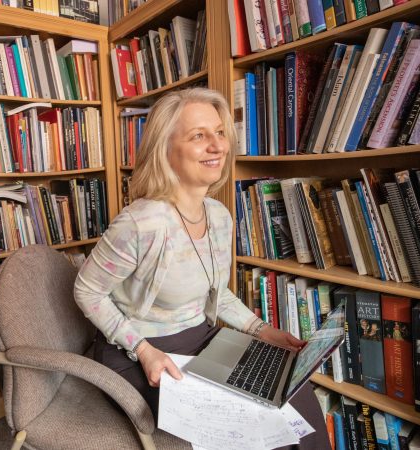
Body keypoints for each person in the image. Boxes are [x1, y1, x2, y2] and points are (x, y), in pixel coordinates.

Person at [74, 87, 329, 449]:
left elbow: (215, 292)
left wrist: (261, 330)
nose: (218, 146)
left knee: (295, 400)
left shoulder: (219, 216)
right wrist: (143, 350)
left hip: (202, 338)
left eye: (220, 132)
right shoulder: (139, 224)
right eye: (199, 136)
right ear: (165, 150)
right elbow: (86, 290)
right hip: (140, 351)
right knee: (245, 427)